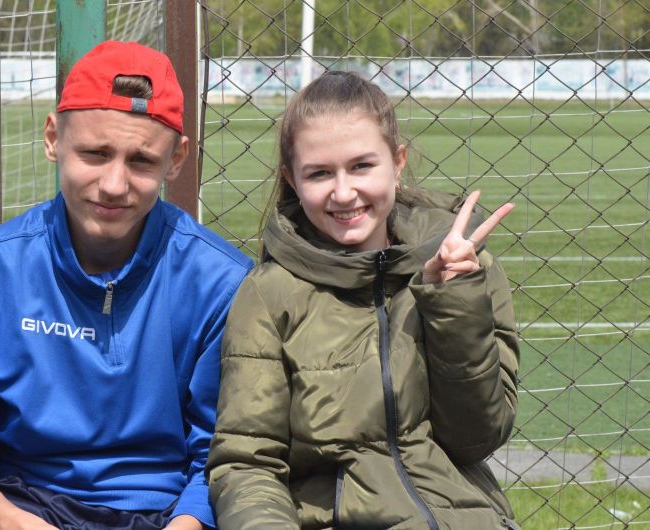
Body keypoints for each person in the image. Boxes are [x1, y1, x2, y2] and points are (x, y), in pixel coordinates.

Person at [0, 41, 252, 530]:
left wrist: (187, 522)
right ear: (53, 138)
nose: (114, 184)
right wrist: (11, 523)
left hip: (168, 512)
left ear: (175, 159)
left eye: (141, 161)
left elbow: (227, 455)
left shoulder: (221, 282)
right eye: (95, 153)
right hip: (18, 504)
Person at [206, 71, 521, 529]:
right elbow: (246, 463)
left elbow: (476, 438)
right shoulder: (270, 294)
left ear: (397, 162)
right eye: (319, 173)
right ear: (291, 180)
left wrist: (450, 302)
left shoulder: (466, 270)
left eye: (361, 166)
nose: (343, 192)